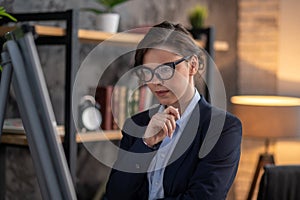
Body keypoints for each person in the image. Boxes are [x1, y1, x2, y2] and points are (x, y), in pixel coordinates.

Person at [104, 21, 242, 200]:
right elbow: (115, 195)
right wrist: (146, 144)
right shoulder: (137, 124)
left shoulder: (222, 128)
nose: (155, 82)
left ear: (193, 65)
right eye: (148, 72)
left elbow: (203, 197)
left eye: (165, 70)